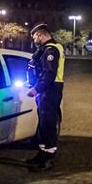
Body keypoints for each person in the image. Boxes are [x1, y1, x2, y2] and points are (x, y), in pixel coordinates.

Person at [26, 23, 64, 171]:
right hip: (46, 90)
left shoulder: (51, 50)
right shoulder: (46, 49)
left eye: (35, 36)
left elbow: (49, 74)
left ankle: (49, 157)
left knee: (48, 123)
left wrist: (36, 89)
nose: (34, 39)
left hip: (50, 89)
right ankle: (42, 153)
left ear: (41, 35)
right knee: (43, 123)